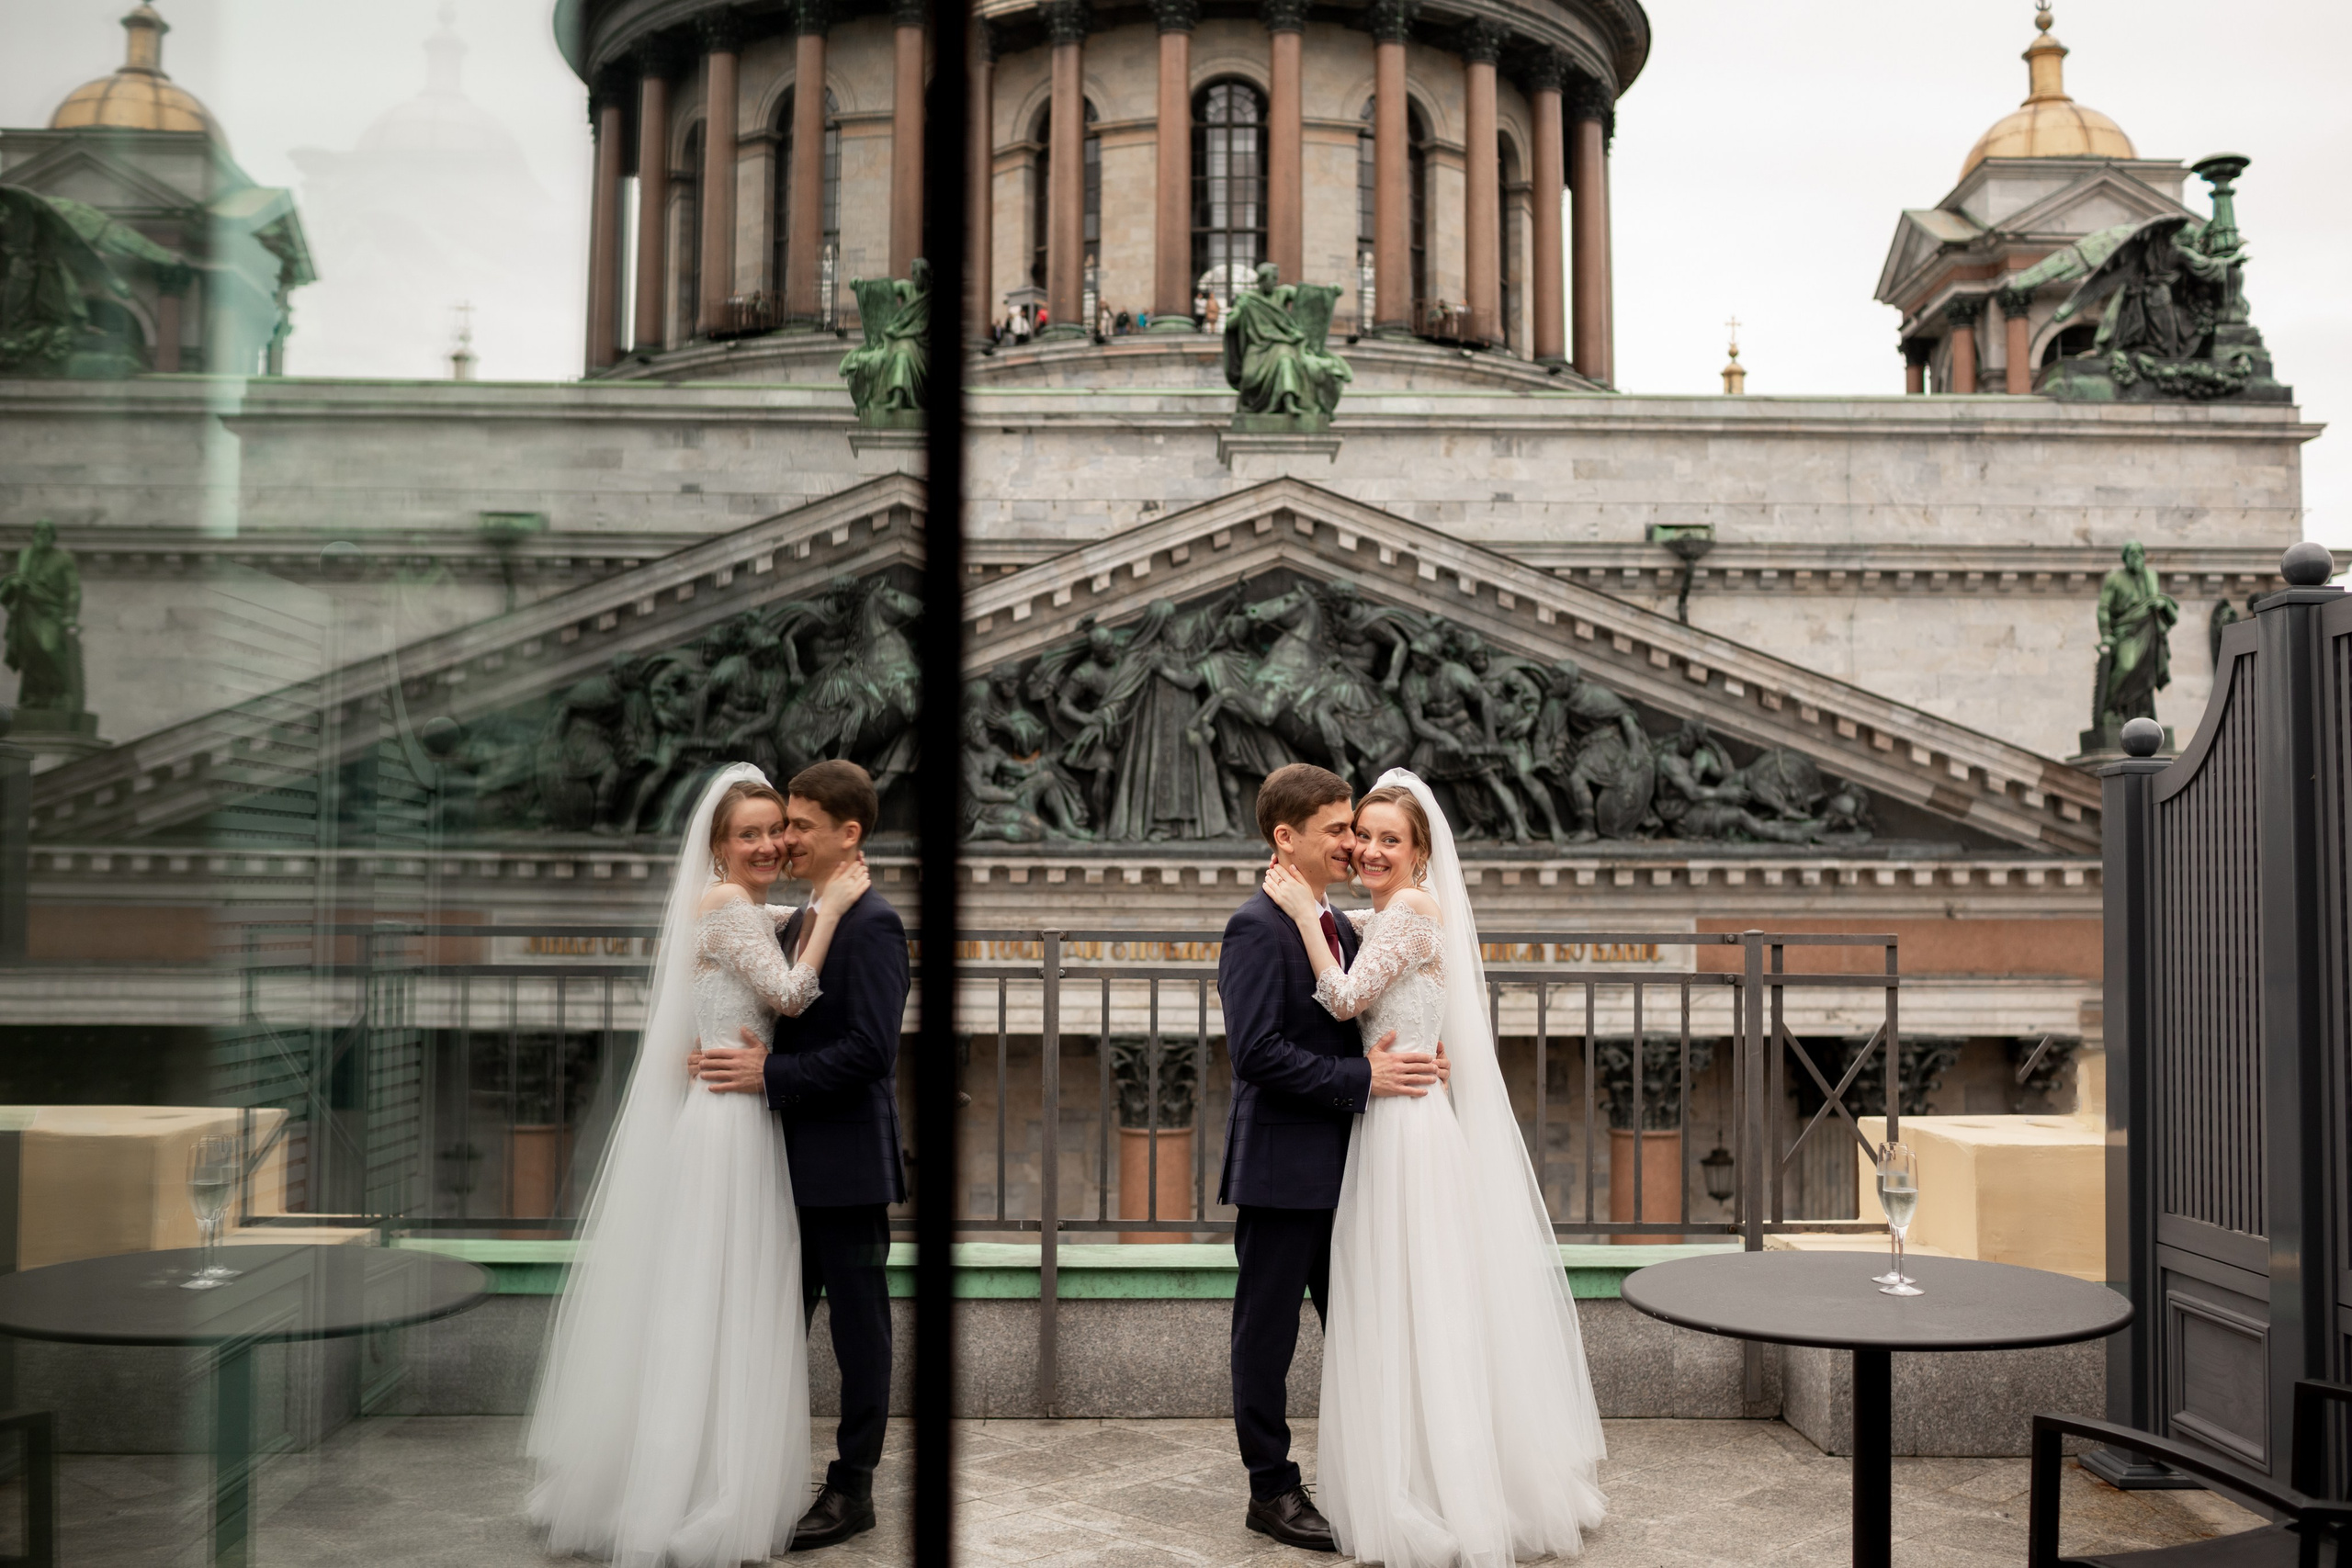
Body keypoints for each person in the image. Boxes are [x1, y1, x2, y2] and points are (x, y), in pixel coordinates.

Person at [526, 764, 872, 1566]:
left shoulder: (738, 906)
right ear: (718, 846)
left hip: (736, 1114)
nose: (768, 844)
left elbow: (781, 924)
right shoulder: (725, 906)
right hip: (729, 1126)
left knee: (715, 1298)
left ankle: (695, 1472)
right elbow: (790, 993)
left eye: (776, 830)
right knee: (717, 1298)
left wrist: (827, 895)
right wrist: (833, 910)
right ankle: (695, 1484)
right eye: (749, 834)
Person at [1262, 770, 1608, 1567]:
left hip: (1406, 1131)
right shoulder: (1385, 915)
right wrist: (1306, 899)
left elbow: (1344, 996)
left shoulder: (1414, 910)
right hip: (1390, 1120)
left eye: (1390, 839)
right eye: (1363, 835)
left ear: (1421, 854)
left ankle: (1436, 1485)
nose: (1370, 849)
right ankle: (1417, 1471)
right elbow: (1351, 933)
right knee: (1403, 1302)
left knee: (1417, 1299)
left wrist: (1302, 913)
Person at [1216, 764, 1448, 1551]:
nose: (1353, 843)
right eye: (1340, 829)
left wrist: (1421, 1054)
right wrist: (1364, 1077)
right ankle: (1271, 1488)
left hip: (1356, 1168)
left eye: (1360, 828)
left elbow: (1372, 1010)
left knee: (1364, 1329)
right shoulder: (1256, 926)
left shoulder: (1343, 925)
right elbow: (1256, 1053)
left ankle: (1379, 1477)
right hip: (1283, 1171)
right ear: (1287, 838)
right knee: (1267, 1335)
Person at [694, 761, 908, 1550]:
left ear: (848, 834)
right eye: (778, 824)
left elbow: (871, 1051)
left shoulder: (873, 922)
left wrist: (769, 1074)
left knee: (859, 1332)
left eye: (797, 825)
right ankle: (753, 1474)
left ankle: (853, 1487)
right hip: (777, 1162)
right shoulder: (795, 917)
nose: (783, 838)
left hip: (844, 1166)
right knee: (769, 1325)